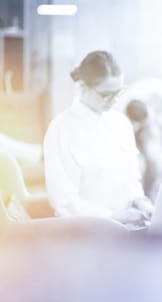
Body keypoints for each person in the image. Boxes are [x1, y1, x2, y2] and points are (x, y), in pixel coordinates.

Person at [43, 50, 154, 228]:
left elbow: (131, 180)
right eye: (105, 95)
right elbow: (64, 201)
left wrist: (140, 202)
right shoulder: (62, 128)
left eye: (117, 93)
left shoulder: (122, 123)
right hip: (85, 231)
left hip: (128, 228)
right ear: (83, 87)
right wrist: (113, 217)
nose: (112, 101)